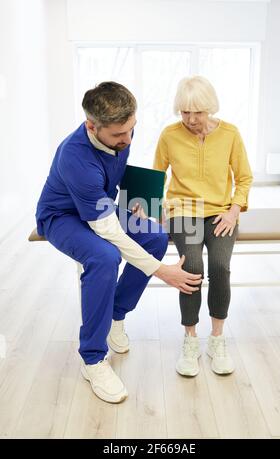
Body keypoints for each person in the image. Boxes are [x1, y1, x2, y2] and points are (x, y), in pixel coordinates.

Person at [35, 81, 202, 404]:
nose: (126, 140)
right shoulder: (75, 158)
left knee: (154, 236)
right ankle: (93, 359)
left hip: (101, 205)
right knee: (104, 257)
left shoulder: (120, 131)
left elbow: (113, 175)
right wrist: (162, 271)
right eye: (117, 135)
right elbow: (109, 231)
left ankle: (114, 315)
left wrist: (138, 202)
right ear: (91, 126)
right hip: (62, 216)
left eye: (131, 130)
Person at [153, 75, 253, 377]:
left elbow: (244, 178)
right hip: (185, 210)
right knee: (192, 267)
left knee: (220, 267)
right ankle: (190, 339)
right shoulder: (169, 135)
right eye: (184, 112)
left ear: (210, 108)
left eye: (197, 112)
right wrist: (156, 209)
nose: (191, 119)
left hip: (220, 212)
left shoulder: (230, 134)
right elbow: (157, 176)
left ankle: (217, 339)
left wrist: (234, 211)